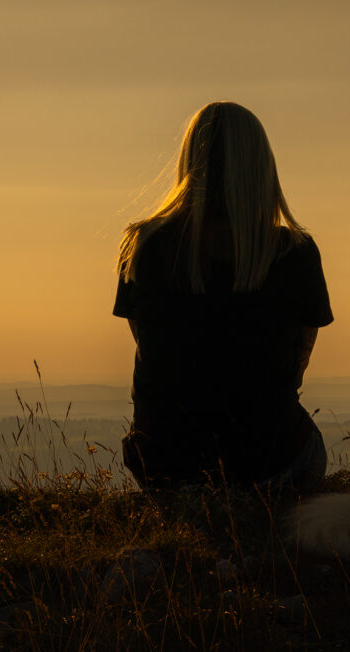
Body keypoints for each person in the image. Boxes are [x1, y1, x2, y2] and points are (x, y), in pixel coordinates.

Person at [113, 101, 333, 493]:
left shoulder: (143, 246)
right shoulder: (295, 253)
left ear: (189, 162)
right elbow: (296, 365)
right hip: (269, 465)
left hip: (164, 470)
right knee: (310, 445)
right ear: (262, 169)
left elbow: (151, 344)